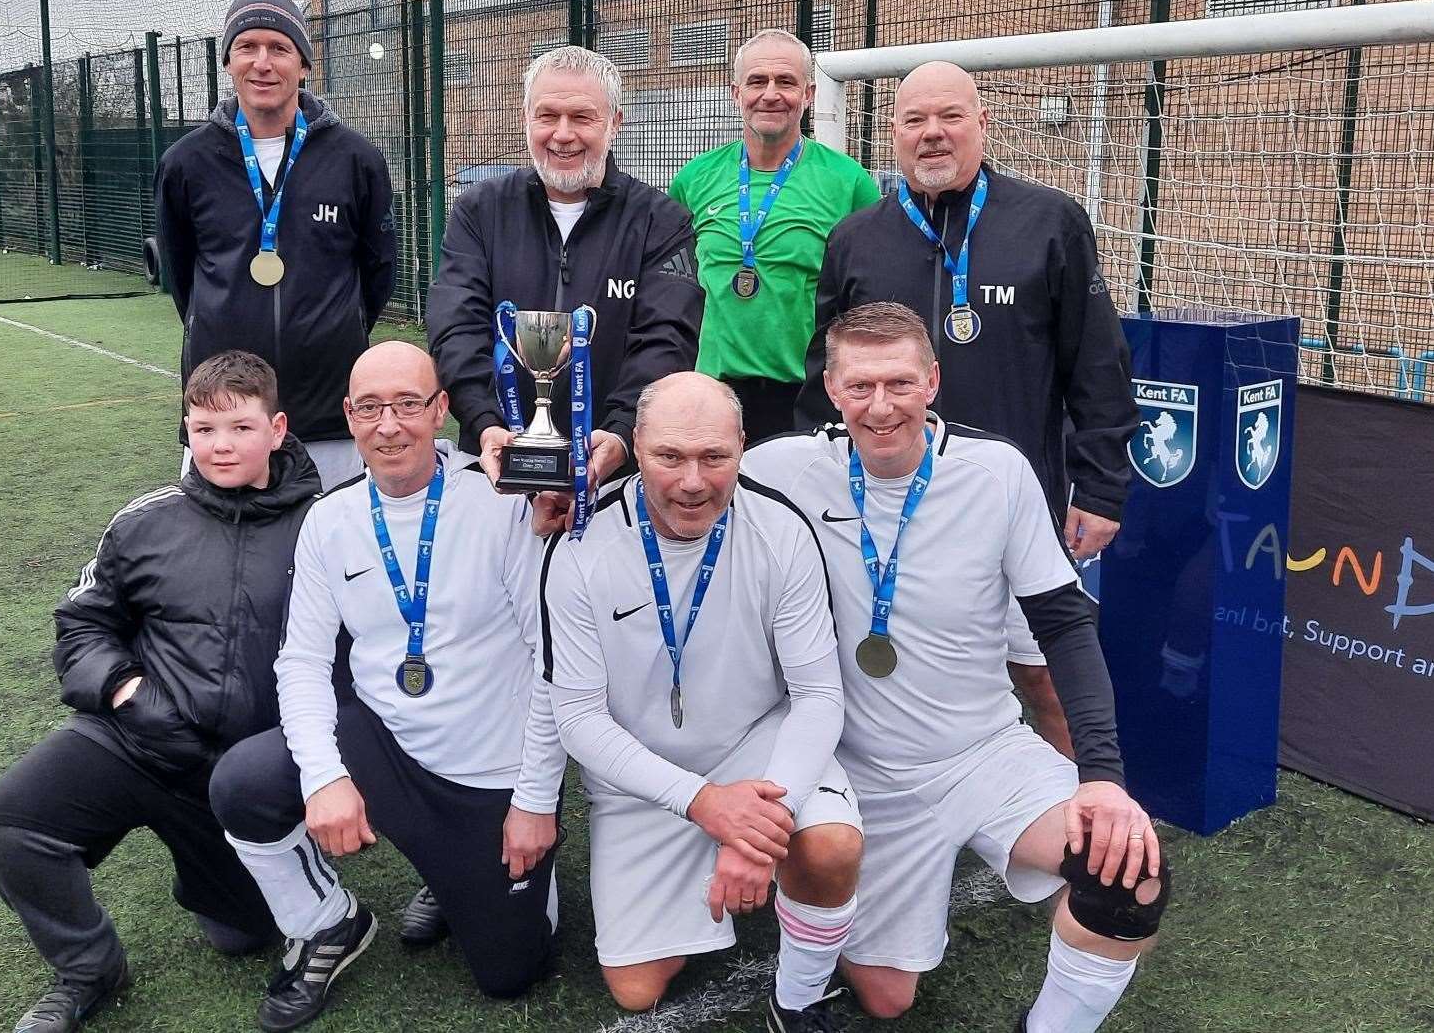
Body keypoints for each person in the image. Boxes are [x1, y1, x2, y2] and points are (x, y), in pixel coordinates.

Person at [747, 304, 1168, 1031]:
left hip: (981, 752)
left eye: (900, 383)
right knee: (886, 999)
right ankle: (807, 958)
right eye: (859, 386)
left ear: (933, 380)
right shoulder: (777, 470)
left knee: (1126, 877)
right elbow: (677, 484)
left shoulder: (996, 471)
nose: (880, 407)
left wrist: (1100, 776)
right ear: (831, 386)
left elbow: (1064, 624)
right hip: (855, 770)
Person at [208, 341, 568, 1032]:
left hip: (486, 775)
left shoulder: (503, 506)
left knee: (509, 972)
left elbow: (552, 662)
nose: (389, 425)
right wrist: (322, 777)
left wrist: (534, 800)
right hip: (378, 743)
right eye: (370, 407)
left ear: (440, 411)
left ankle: (478, 880)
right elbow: (303, 662)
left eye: (408, 404)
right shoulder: (330, 519)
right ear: (349, 417)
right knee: (242, 783)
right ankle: (324, 924)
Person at [795, 61, 1139, 757]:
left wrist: (1100, 486)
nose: (931, 134)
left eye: (949, 116)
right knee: (878, 681)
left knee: (1046, 680)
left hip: (1008, 509)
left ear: (982, 124)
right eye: (914, 119)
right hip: (881, 513)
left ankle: (1087, 830)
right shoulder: (854, 239)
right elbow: (821, 379)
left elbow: (1097, 367)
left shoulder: (1049, 222)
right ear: (891, 133)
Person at [0, 351, 323, 1033]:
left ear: (277, 429)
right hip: (135, 738)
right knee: (12, 823)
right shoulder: (143, 521)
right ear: (186, 432)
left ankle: (211, 871)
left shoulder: (324, 525)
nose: (221, 446)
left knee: (239, 936)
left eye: (240, 428)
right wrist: (127, 692)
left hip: (235, 778)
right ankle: (88, 970)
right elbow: (80, 624)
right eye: (203, 429)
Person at [544, 371, 864, 1032]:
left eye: (714, 457)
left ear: (742, 447)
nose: (692, 481)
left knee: (830, 849)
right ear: (636, 445)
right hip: (646, 778)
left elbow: (816, 695)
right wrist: (704, 804)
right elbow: (576, 717)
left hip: (756, 748)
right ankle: (730, 876)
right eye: (669, 457)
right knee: (635, 988)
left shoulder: (780, 528)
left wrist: (756, 833)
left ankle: (798, 999)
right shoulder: (579, 544)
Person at [426, 44, 702, 531]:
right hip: (495, 468)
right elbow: (455, 326)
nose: (563, 134)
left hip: (614, 476)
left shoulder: (661, 221)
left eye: (582, 116)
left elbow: (667, 340)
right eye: (547, 116)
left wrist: (617, 438)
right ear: (525, 119)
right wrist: (488, 424)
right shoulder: (480, 211)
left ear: (615, 122)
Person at [156, 0, 397, 490]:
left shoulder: (356, 160)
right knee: (225, 561)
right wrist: (222, 321)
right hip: (226, 413)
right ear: (227, 60)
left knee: (334, 556)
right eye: (247, 47)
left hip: (330, 414)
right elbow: (183, 281)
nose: (262, 63)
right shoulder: (186, 163)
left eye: (279, 48)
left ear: (304, 64)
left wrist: (334, 329)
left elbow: (378, 275)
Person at [668, 29, 879, 442]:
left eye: (785, 82)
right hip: (712, 392)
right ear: (735, 92)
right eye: (757, 81)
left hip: (804, 395)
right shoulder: (694, 179)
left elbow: (870, 292)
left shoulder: (848, 181)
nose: (770, 94)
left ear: (810, 93)